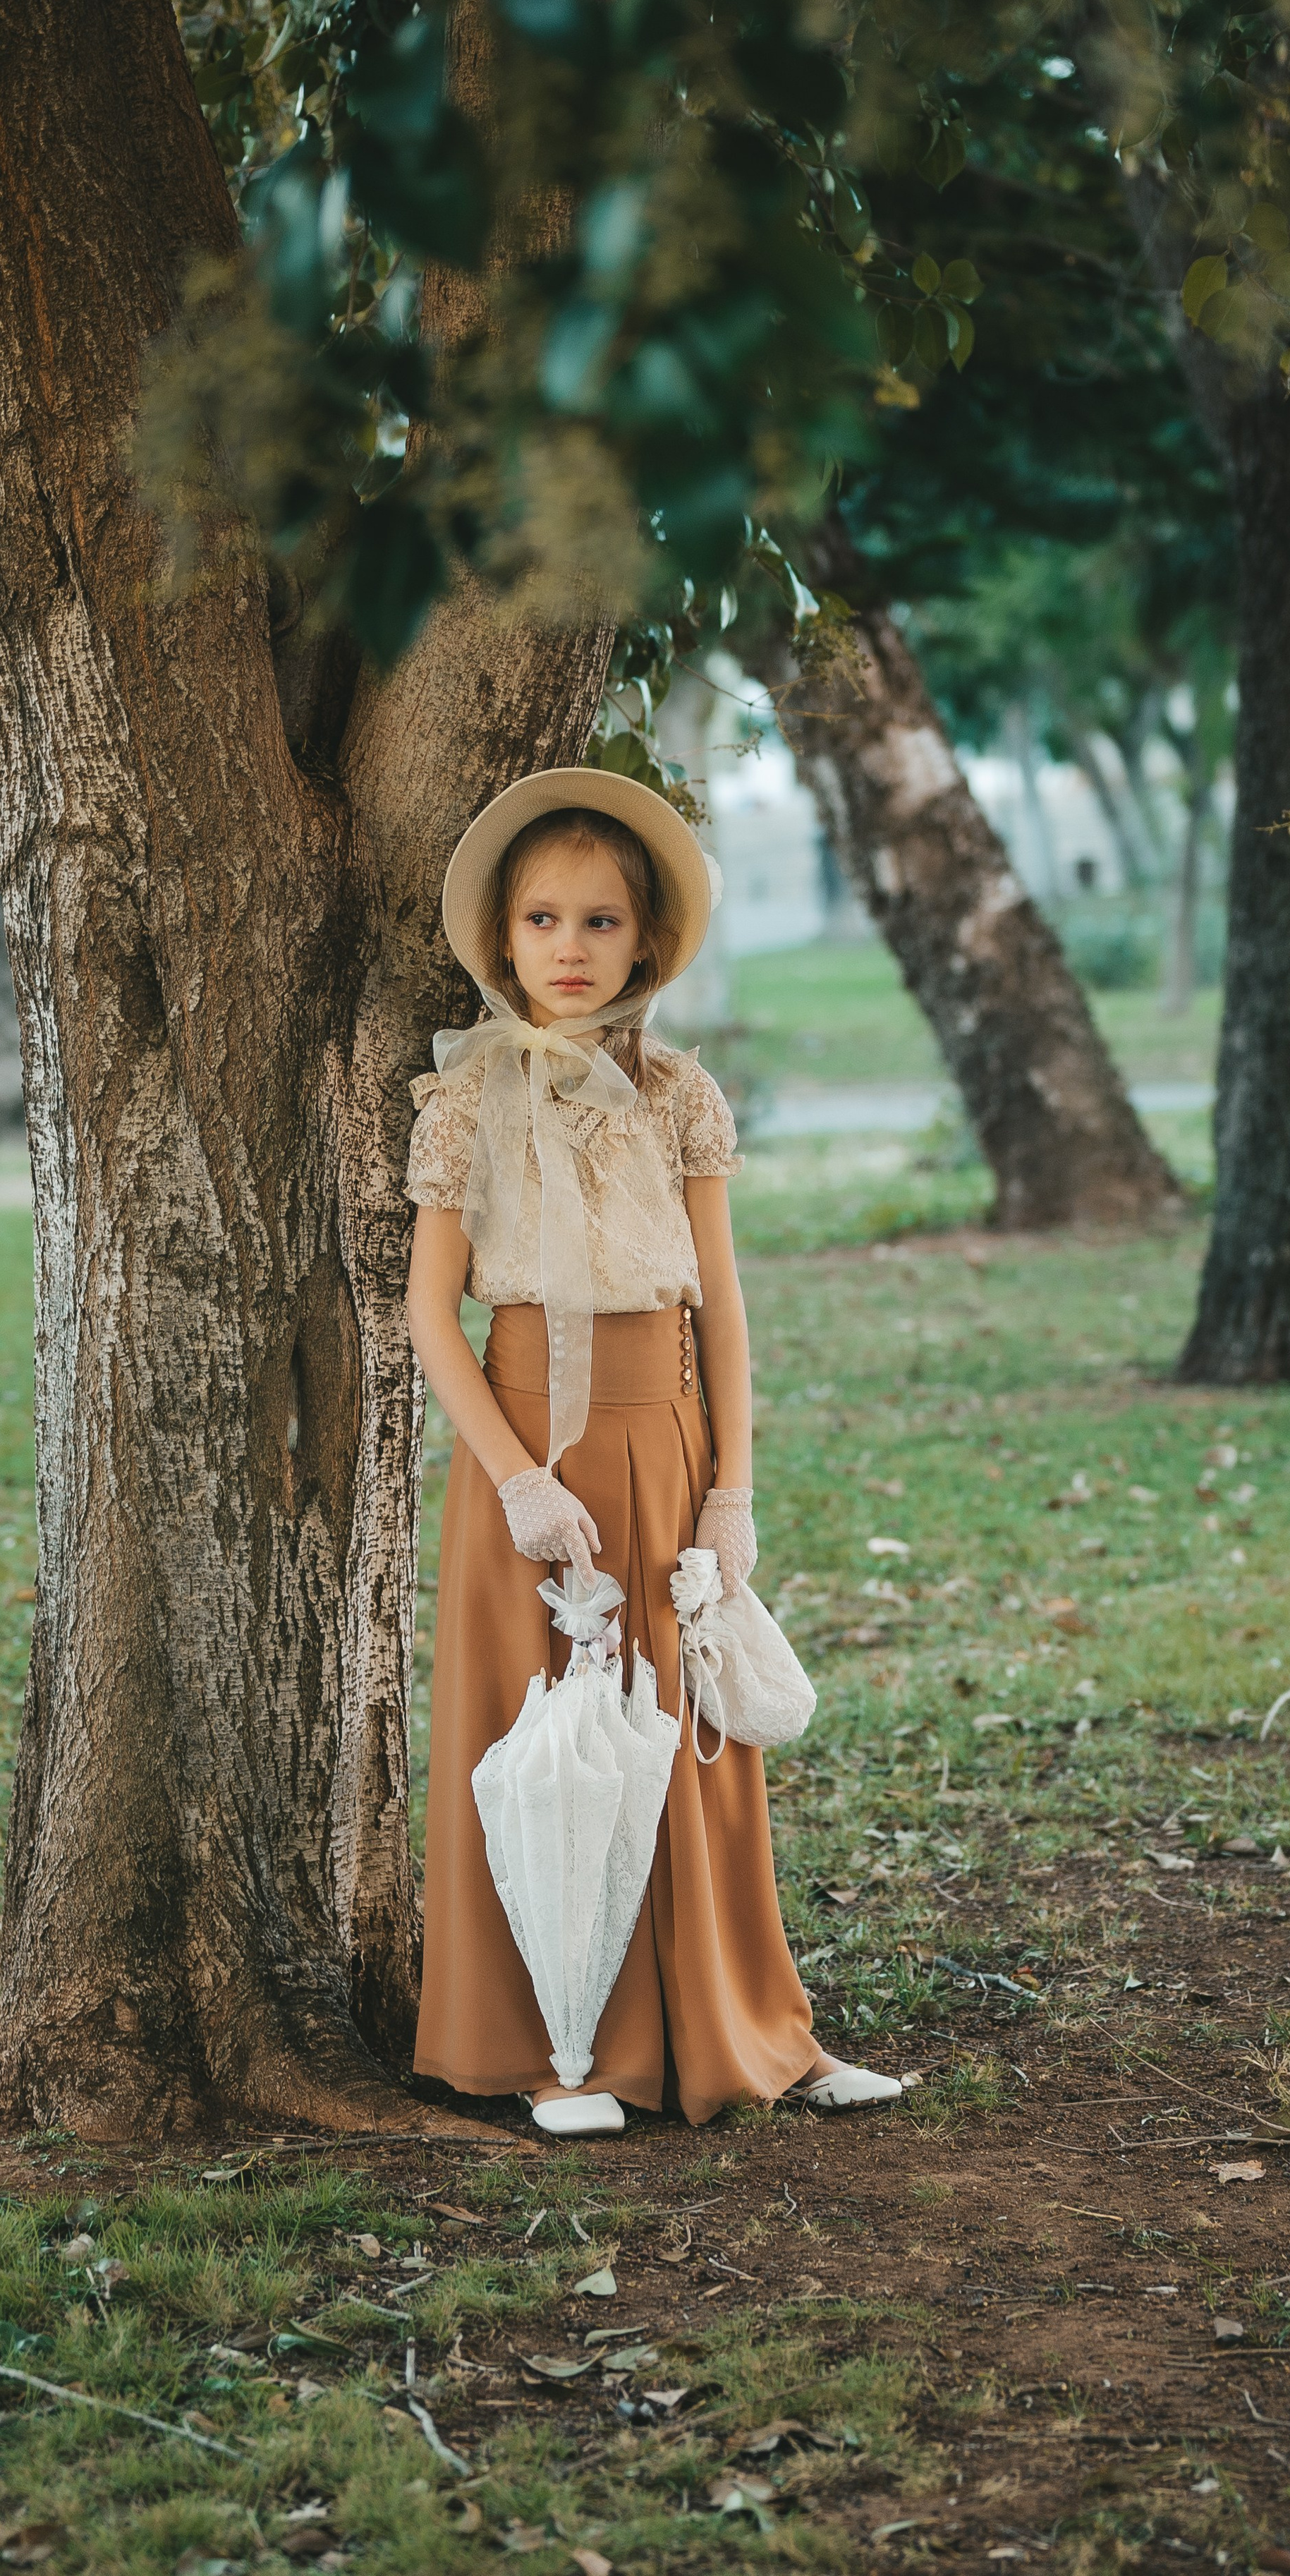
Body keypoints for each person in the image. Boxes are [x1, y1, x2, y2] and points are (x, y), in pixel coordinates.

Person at [403, 766, 903, 2136]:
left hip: (667, 1451)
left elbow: (720, 1307)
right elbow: (429, 1315)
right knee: (542, 1742)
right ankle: (558, 2052)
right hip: (528, 1464)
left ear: (648, 940)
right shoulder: (465, 1102)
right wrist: (515, 1480)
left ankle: (757, 2035)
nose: (570, 950)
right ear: (502, 941)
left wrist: (731, 1492)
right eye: (543, 922)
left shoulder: (680, 1096)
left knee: (688, 1744)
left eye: (601, 923)